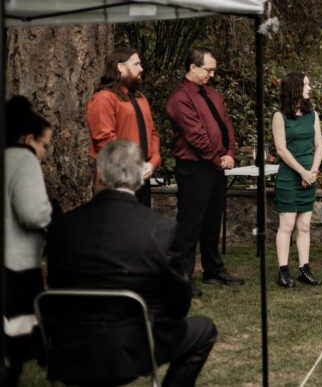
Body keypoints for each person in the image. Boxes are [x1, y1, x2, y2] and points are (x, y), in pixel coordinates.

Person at [47, 139, 218, 387]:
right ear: (140, 176)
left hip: (69, 350)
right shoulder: (161, 229)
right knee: (204, 330)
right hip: (132, 350)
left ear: (100, 173)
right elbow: (178, 307)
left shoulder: (63, 226)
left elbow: (55, 286)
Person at [166, 48, 244, 295]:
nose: (211, 74)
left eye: (213, 70)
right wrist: (216, 158)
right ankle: (182, 276)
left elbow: (226, 125)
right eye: (208, 69)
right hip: (194, 167)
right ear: (192, 67)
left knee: (212, 221)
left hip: (216, 166)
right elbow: (195, 135)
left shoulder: (213, 94)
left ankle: (213, 269)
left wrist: (230, 152)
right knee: (190, 223)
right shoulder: (180, 97)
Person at [3, 96, 53, 383]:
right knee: (14, 344)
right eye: (44, 145)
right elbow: (33, 213)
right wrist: (51, 212)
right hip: (18, 266)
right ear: (29, 138)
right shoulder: (23, 158)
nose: (44, 153)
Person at [86, 46, 161, 206]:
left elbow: (153, 133)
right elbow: (106, 141)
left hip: (143, 176)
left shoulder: (141, 98)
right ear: (120, 66)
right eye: (136, 64)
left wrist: (153, 162)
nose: (141, 69)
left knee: (140, 227)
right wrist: (132, 167)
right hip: (116, 179)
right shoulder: (103, 98)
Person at [272, 71, 322, 288]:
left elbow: (319, 145)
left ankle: (305, 269)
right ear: (294, 87)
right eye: (305, 84)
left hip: (309, 175)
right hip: (289, 176)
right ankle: (283, 271)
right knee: (287, 224)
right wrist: (301, 173)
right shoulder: (279, 116)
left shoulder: (312, 114)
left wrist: (312, 172)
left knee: (304, 225)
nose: (309, 87)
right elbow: (281, 150)